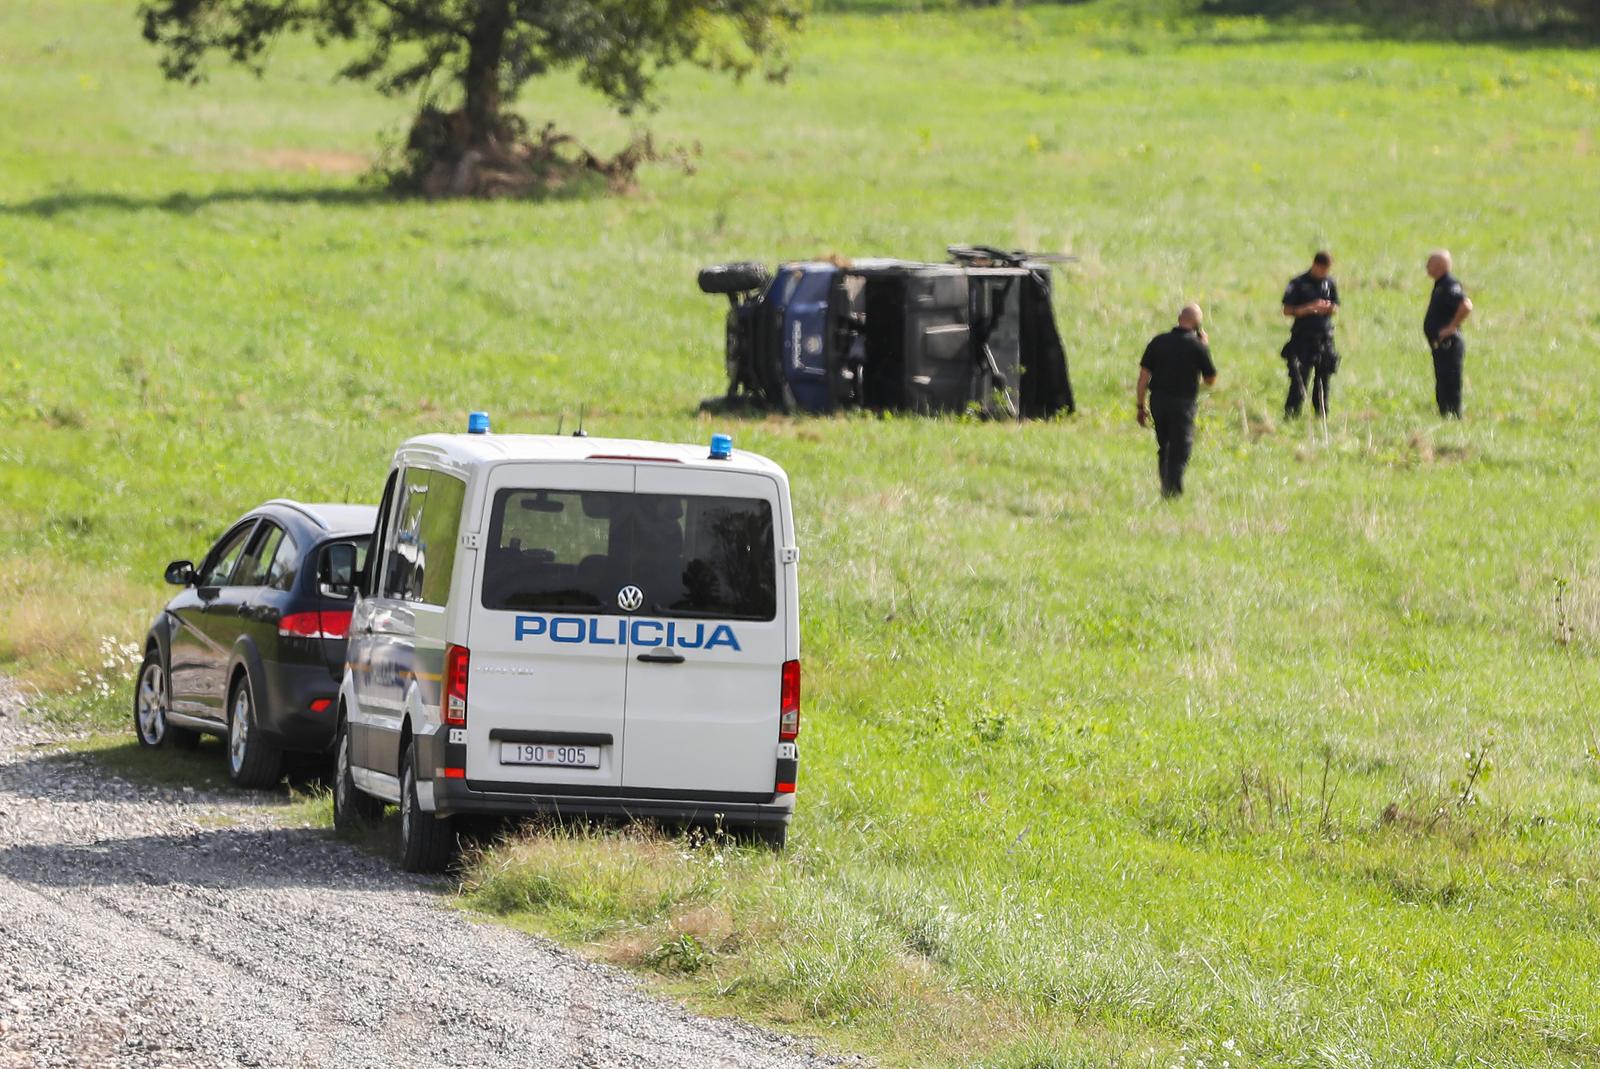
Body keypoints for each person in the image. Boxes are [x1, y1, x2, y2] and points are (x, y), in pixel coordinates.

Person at [1136, 304, 1218, 498]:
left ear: (1179, 318)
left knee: (1164, 444)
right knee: (1181, 447)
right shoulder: (1198, 346)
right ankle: (1172, 492)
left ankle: (1166, 484)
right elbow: (1210, 380)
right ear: (1198, 324)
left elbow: (1142, 378)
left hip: (1158, 401)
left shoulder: (1158, 342)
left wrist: (1141, 406)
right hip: (1183, 404)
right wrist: (1205, 348)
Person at [1281, 251, 1340, 419]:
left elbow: (1336, 306)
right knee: (1300, 378)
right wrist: (1309, 308)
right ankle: (1292, 413)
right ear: (1316, 265)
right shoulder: (1298, 283)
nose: (1325, 274)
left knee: (1324, 380)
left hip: (1324, 338)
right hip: (1303, 338)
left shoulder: (1329, 283)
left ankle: (1321, 414)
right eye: (1323, 270)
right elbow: (1287, 310)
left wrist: (1328, 308)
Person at [1424, 250, 1473, 418]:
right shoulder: (1440, 285)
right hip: (1440, 345)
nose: (1426, 266)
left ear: (1439, 266)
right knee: (1442, 381)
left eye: (1429, 263)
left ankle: (1453, 414)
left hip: (1449, 344)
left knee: (1451, 381)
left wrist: (1452, 327)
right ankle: (1444, 413)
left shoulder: (1449, 285)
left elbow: (1466, 305)